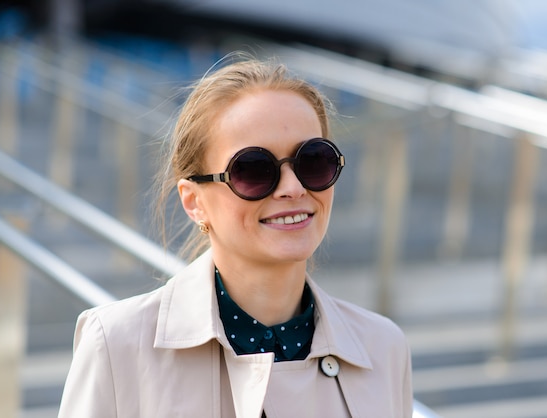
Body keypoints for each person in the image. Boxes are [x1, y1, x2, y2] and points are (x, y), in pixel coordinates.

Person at [58, 54, 413, 417]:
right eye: (254, 169)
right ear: (194, 202)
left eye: (313, 161)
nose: (292, 188)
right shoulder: (116, 345)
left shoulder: (382, 347)